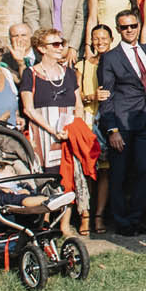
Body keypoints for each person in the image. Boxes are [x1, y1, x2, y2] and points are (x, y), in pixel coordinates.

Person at [17, 28, 88, 232]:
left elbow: (78, 104)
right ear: (41, 48)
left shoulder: (69, 73)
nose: (60, 48)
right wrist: (51, 130)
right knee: (46, 177)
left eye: (61, 43)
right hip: (44, 133)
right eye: (55, 44)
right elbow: (28, 109)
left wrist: (73, 127)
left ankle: (65, 225)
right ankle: (44, 223)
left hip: (67, 132)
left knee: (69, 177)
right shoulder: (31, 74)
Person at [95, 9, 146, 235]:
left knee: (144, 170)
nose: (129, 30)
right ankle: (121, 222)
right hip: (121, 124)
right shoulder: (110, 57)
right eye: (124, 27)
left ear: (139, 26)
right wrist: (112, 129)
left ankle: (136, 219)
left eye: (133, 26)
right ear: (118, 29)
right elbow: (106, 96)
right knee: (119, 175)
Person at [77, 23, 115, 235]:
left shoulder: (116, 61)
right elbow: (76, 94)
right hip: (88, 118)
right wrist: (91, 97)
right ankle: (86, 214)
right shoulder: (82, 65)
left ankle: (99, 215)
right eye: (96, 38)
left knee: (105, 170)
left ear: (111, 39)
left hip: (108, 121)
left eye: (104, 38)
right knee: (87, 169)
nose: (100, 42)